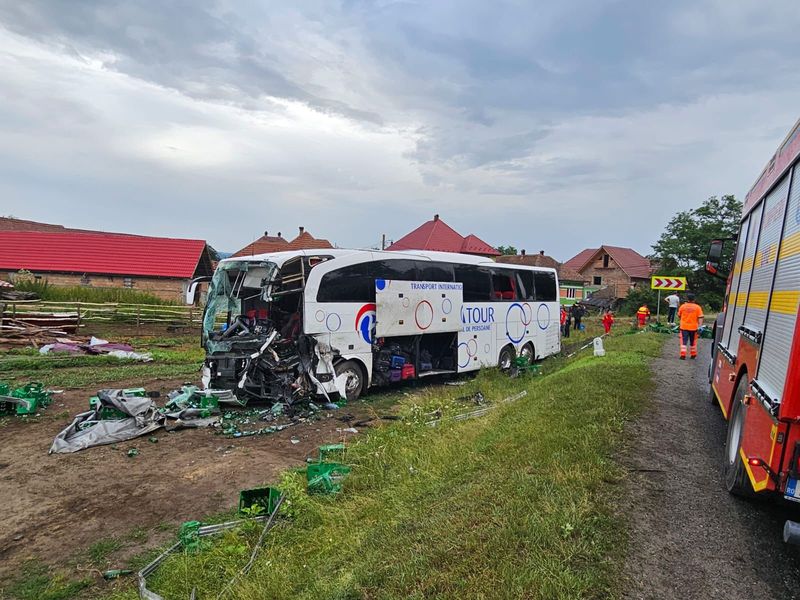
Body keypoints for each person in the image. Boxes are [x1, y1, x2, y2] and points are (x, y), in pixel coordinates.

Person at [677, 292, 704, 360]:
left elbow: (679, 315)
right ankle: (693, 355)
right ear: (694, 299)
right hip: (694, 327)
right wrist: (700, 326)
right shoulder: (697, 307)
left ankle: (683, 355)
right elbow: (700, 317)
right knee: (693, 341)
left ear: (687, 299)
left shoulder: (682, 306)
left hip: (684, 327)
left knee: (684, 341)